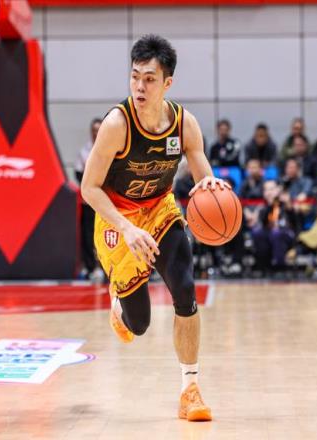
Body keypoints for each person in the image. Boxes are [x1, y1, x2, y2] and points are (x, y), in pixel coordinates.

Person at [81, 35, 228, 422]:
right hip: (117, 217)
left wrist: (210, 185)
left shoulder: (183, 123)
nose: (140, 86)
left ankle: (190, 389)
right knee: (140, 324)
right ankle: (119, 303)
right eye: (135, 77)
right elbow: (89, 188)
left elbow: (200, 168)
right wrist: (126, 229)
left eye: (149, 79)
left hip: (160, 208)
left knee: (184, 288)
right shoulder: (117, 125)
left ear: (167, 83)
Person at [75, 117, 102, 279]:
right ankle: (90, 267)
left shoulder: (110, 147)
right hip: (88, 200)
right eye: (93, 130)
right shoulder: (84, 152)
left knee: (105, 234)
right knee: (88, 235)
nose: (95, 133)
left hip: (105, 201)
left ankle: (105, 268)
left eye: (98, 130)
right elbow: (79, 174)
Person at [250, 179, 296, 274]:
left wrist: (288, 204)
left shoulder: (285, 202)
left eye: (272, 189)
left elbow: (294, 220)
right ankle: (263, 266)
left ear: (278, 190)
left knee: (276, 233)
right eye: (266, 190)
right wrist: (270, 205)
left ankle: (280, 267)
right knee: (257, 233)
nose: (269, 192)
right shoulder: (263, 207)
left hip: (287, 233)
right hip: (270, 234)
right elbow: (263, 222)